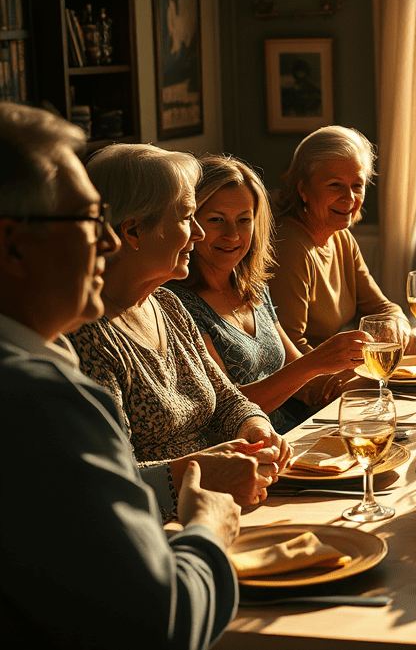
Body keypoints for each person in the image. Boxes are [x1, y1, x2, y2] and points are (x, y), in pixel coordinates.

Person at [0, 103, 239, 647]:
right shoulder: (35, 400)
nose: (105, 243)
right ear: (13, 244)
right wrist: (207, 529)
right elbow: (160, 622)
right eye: (88, 220)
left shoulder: (49, 360)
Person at [68, 144, 291, 512]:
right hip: (168, 526)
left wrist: (256, 428)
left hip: (222, 501)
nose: (200, 233)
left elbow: (227, 400)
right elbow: (111, 483)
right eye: (188, 217)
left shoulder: (167, 306)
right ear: (133, 231)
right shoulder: (87, 335)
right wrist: (201, 470)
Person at [168, 155, 371, 433]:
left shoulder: (252, 286)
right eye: (216, 220)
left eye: (244, 220)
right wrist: (317, 362)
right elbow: (225, 409)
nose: (232, 235)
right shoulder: (178, 304)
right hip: (246, 455)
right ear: (192, 224)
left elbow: (299, 374)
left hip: (296, 434)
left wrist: (365, 376)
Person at [269, 126, 408, 354]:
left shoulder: (341, 238)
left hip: (335, 371)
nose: (350, 198)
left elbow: (382, 308)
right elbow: (287, 349)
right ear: (303, 188)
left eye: (357, 185)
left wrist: (398, 323)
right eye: (335, 185)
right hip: (309, 382)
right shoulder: (291, 247)